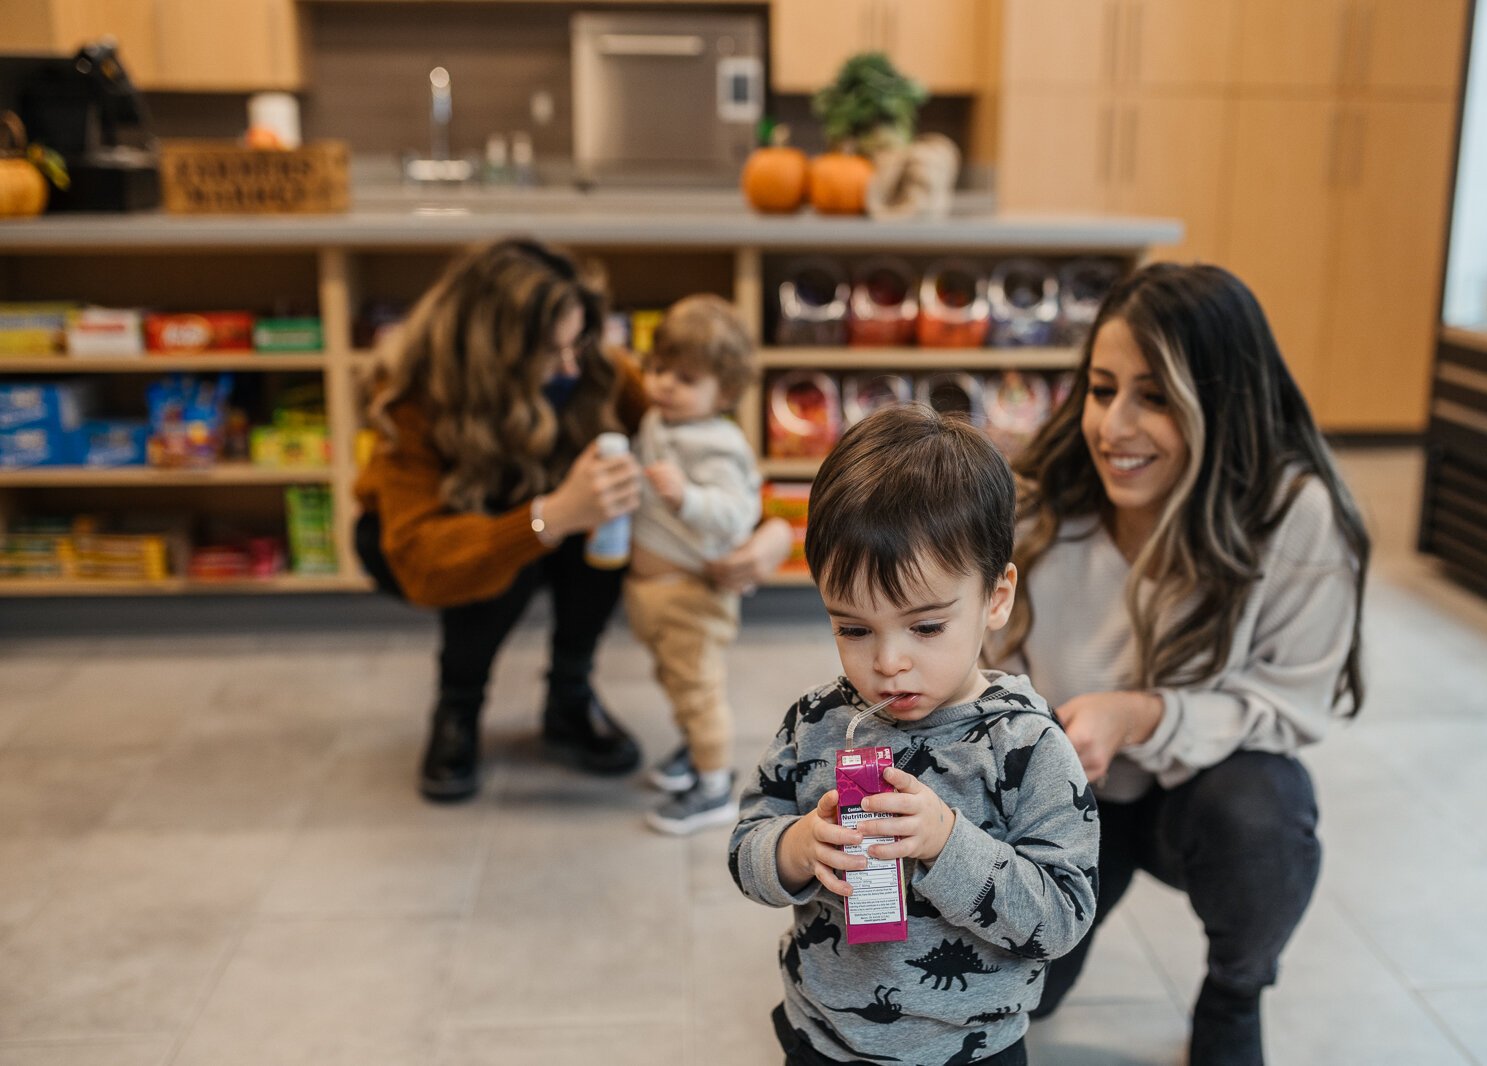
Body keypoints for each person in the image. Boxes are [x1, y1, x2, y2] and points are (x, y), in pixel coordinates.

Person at [998, 263, 1370, 1066]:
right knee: (1019, 994)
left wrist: (1141, 714)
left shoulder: (1296, 514)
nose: (1112, 427)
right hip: (1057, 805)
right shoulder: (1037, 501)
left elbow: (1292, 703)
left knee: (1262, 815)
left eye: (1155, 397)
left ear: (1224, 403)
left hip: (1194, 796)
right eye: (1101, 389)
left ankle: (1234, 993)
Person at [353, 238, 790, 803]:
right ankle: (458, 704)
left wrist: (769, 536)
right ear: (489, 354)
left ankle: (569, 695)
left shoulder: (589, 365)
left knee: (611, 512)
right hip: (425, 545)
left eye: (578, 343)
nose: (569, 365)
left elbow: (705, 450)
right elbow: (420, 558)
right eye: (549, 352)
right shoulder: (416, 395)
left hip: (558, 525)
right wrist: (549, 516)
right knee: (500, 561)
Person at [730, 404, 1100, 1066]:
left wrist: (946, 844)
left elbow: (1062, 916)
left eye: (925, 627)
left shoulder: (1024, 746)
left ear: (995, 596)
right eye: (852, 628)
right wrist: (795, 847)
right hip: (825, 1041)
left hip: (975, 1050)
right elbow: (745, 847)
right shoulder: (816, 725)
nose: (887, 662)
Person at [623, 295, 762, 836]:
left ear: (724, 392)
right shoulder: (661, 419)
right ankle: (693, 748)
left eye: (684, 378)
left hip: (691, 592)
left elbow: (736, 512)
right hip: (655, 590)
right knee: (676, 680)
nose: (662, 384)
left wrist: (686, 498)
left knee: (698, 686)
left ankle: (714, 786)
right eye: (657, 369)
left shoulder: (718, 444)